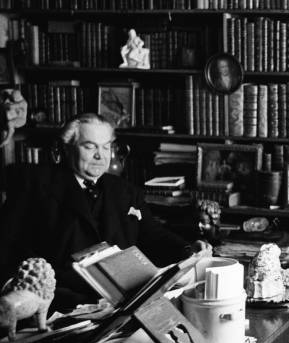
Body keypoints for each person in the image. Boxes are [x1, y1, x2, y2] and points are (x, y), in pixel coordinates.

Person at [0, 113, 211, 310]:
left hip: (121, 303)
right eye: (90, 147)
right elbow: (8, 246)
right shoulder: (35, 186)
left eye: (106, 147)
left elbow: (152, 234)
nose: (100, 156)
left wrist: (187, 249)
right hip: (61, 304)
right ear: (67, 148)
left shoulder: (125, 191)